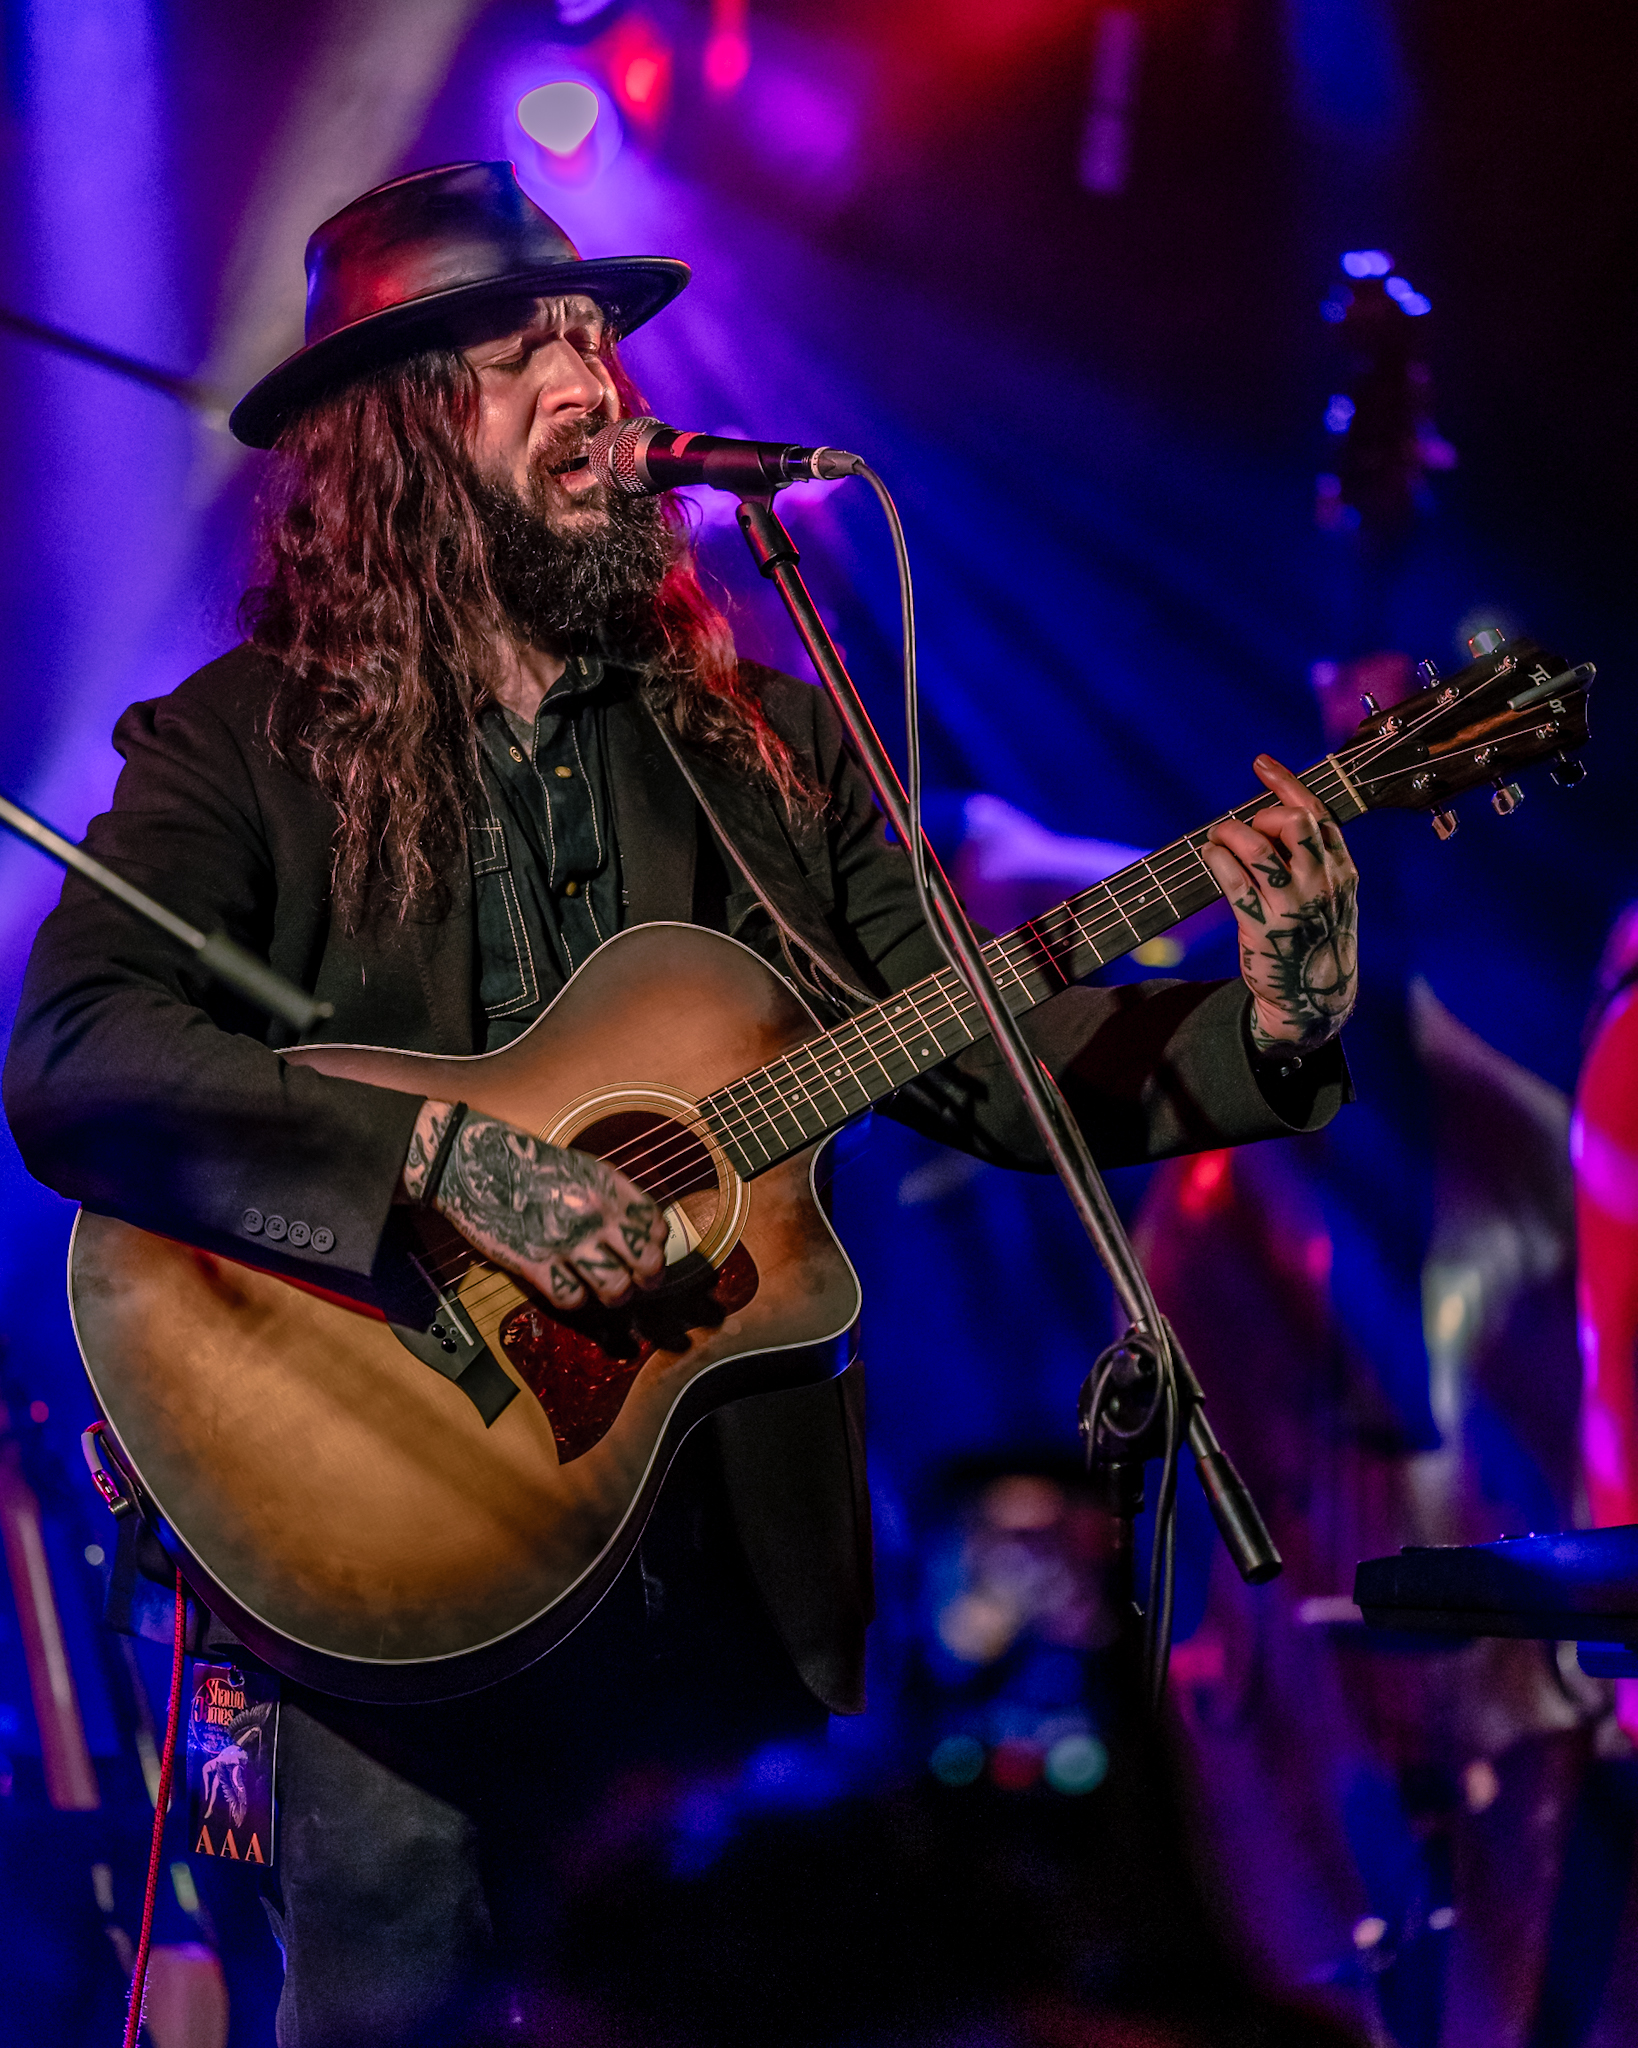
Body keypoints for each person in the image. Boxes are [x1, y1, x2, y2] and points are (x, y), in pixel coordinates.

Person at [3, 162, 1359, 2044]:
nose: (589, 384)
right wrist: (436, 1156)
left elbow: (978, 1053)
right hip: (380, 1544)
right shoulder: (242, 746)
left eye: (592, 340)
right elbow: (74, 1055)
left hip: (715, 1560)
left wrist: (1266, 1029)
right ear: (395, 429)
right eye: (517, 355)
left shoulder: (770, 742)